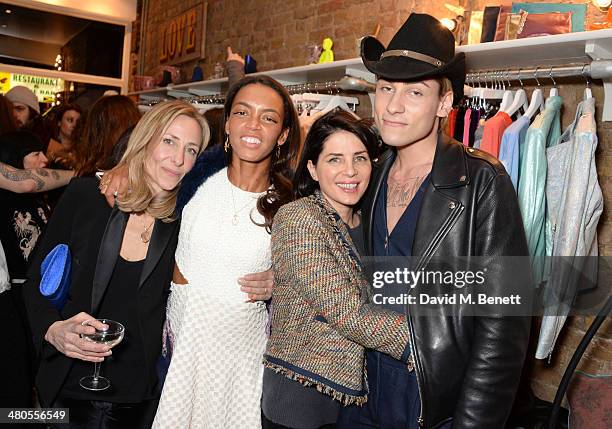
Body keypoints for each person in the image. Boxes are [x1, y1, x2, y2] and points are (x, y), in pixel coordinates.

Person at [336, 13, 531, 429]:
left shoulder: (482, 182)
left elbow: (502, 330)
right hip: (360, 398)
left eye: (414, 92)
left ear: (444, 103)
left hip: (430, 407)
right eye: (385, 87)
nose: (393, 105)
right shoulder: (367, 176)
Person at [22, 100, 209, 428]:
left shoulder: (187, 220)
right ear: (145, 139)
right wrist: (52, 330)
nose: (179, 159)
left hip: (140, 397)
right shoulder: (87, 197)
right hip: (68, 384)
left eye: (191, 150)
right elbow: (35, 281)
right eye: (169, 141)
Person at [150, 74, 300, 429]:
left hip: (241, 363)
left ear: (282, 135)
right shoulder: (192, 175)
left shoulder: (293, 205)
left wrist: (282, 282)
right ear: (228, 123)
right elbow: (146, 175)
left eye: (269, 117)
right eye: (243, 112)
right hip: (181, 349)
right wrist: (121, 172)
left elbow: (310, 283)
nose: (253, 125)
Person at [262, 111, 410, 429]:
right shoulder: (299, 218)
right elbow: (347, 311)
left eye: (360, 158)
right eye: (334, 160)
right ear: (313, 169)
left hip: (358, 399)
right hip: (302, 396)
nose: (350, 171)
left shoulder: (371, 220)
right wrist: (427, 342)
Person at [0, 130, 51, 279]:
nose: (45, 159)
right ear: (15, 157)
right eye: (36, 154)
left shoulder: (38, 198)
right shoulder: (4, 205)